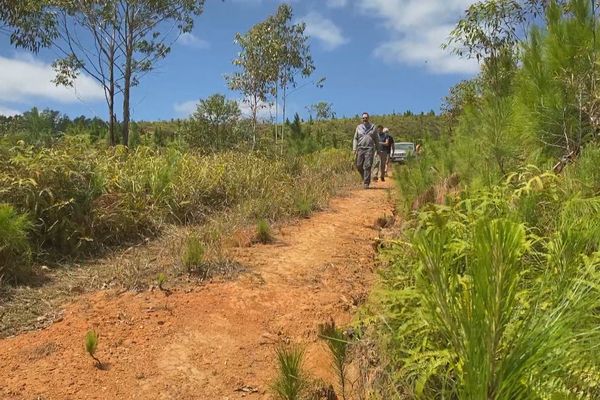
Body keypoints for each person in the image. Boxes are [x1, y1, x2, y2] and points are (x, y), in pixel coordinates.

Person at [353, 112, 380, 189]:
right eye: (363, 118)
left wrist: (378, 150)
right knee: (359, 165)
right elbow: (355, 138)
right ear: (362, 119)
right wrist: (354, 148)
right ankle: (364, 177)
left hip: (369, 148)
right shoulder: (358, 127)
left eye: (366, 118)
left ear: (368, 118)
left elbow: (376, 139)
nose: (365, 119)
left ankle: (366, 183)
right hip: (360, 148)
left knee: (368, 166)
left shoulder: (373, 127)